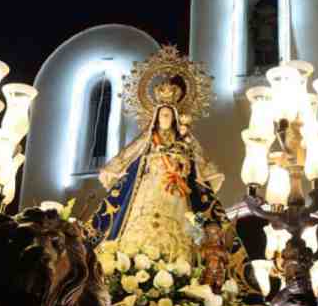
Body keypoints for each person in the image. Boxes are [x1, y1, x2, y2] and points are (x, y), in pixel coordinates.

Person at [92, 87, 224, 264]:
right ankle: (135, 261)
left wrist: (181, 165)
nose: (165, 119)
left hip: (175, 191)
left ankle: (179, 265)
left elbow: (197, 163)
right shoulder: (147, 139)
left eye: (168, 115)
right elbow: (129, 155)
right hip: (149, 188)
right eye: (162, 115)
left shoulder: (184, 141)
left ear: (175, 119)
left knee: (178, 229)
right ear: (155, 118)